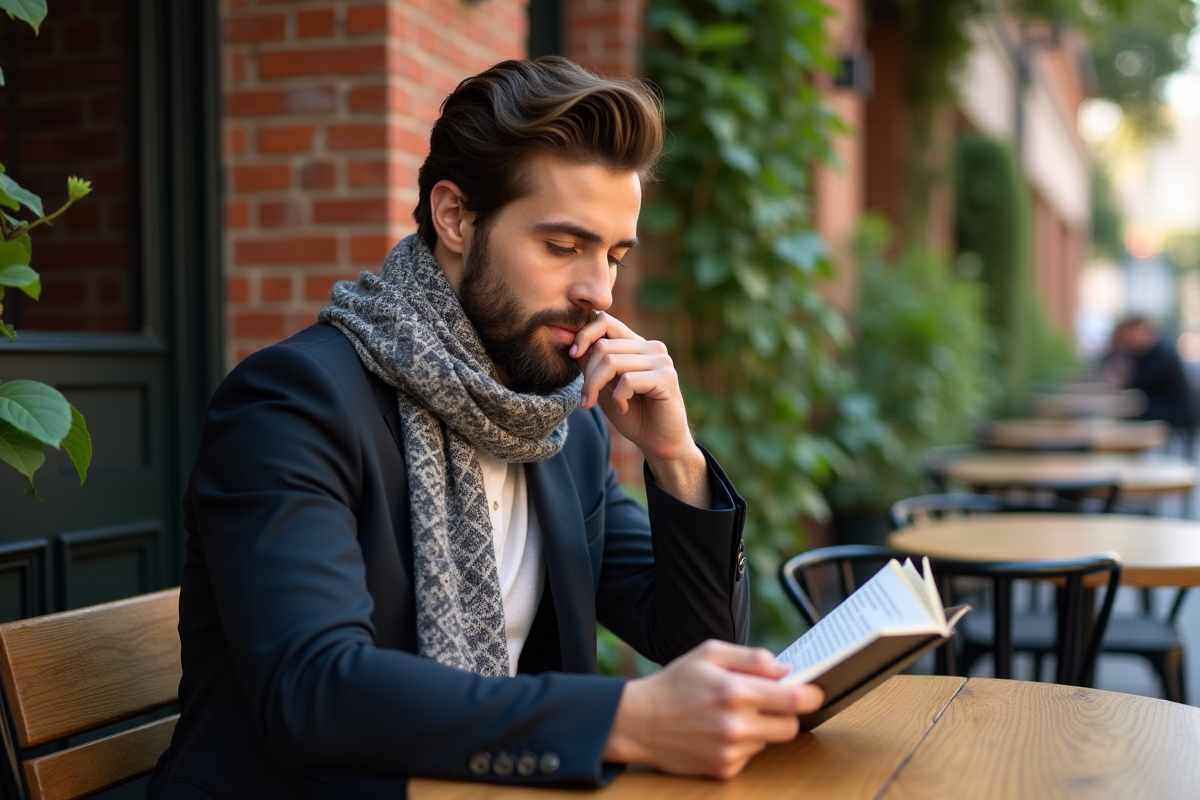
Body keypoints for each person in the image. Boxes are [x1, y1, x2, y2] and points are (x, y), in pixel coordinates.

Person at [147, 57, 823, 799]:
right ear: (456, 218)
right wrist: (622, 718)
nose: (597, 293)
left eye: (614, 255)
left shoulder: (565, 428)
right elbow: (315, 692)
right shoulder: (294, 403)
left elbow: (698, 647)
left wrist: (676, 459)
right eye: (563, 247)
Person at [1110, 316, 1197, 455]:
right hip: (1169, 406)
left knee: (1129, 413)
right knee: (1127, 410)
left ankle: (1129, 453)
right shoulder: (1152, 351)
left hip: (1178, 411)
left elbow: (1138, 383)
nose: (1129, 339)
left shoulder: (1161, 352)